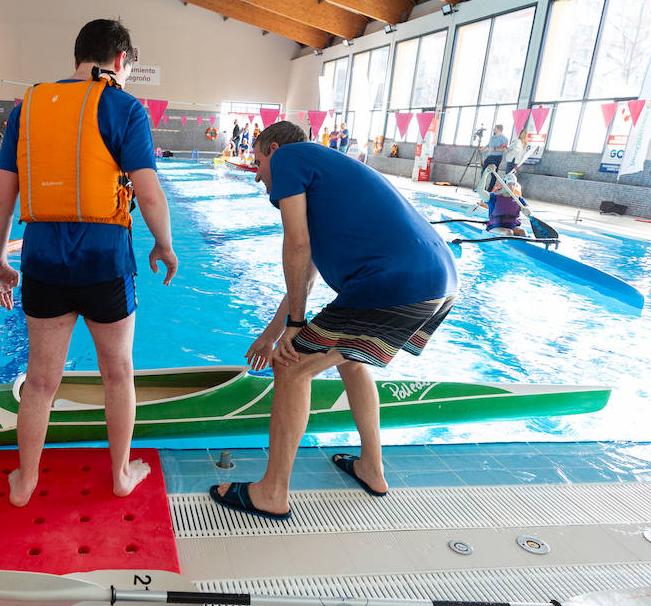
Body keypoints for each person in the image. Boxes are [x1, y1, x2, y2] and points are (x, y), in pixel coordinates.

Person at [211, 122, 458, 520]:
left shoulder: (291, 157)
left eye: (257, 161)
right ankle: (371, 468)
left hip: (395, 280)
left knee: (291, 367)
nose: (256, 172)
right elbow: (304, 272)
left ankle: (271, 493)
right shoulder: (328, 178)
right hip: (438, 279)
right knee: (349, 358)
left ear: (273, 148)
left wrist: (293, 328)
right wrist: (272, 332)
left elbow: (295, 244)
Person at [0, 19, 178, 508]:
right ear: (121, 61)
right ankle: (119, 474)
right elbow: (150, 194)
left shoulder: (26, 108)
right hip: (105, 260)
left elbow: (1, 201)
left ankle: (25, 482)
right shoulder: (124, 106)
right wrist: (165, 245)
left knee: (41, 381)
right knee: (118, 374)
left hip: (43, 259)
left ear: (76, 57)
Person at [486, 169, 525, 236]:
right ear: (503, 185)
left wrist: (527, 210)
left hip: (512, 225)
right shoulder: (493, 197)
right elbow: (480, 191)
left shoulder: (519, 199)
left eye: (514, 184)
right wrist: (485, 173)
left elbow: (526, 208)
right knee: (509, 232)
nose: (512, 187)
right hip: (495, 226)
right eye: (509, 184)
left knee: (522, 232)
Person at [478, 124, 507, 195]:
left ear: (499, 129)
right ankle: (482, 188)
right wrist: (482, 149)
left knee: (493, 174)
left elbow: (503, 148)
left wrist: (494, 149)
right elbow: (488, 145)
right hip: (489, 156)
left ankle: (490, 190)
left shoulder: (504, 139)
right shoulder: (492, 137)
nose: (494, 129)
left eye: (495, 128)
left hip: (497, 157)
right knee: (483, 172)